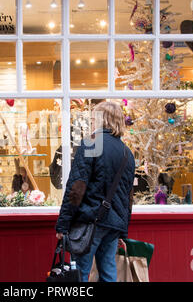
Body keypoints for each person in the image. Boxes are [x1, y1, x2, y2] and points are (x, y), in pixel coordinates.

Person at [55, 101, 135, 282]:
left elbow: (76, 188)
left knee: (80, 274)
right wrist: (123, 231)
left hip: (90, 222)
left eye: (93, 118)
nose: (91, 122)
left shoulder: (92, 144)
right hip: (113, 225)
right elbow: (128, 197)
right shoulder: (127, 153)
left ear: (102, 120)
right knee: (108, 273)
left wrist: (63, 225)